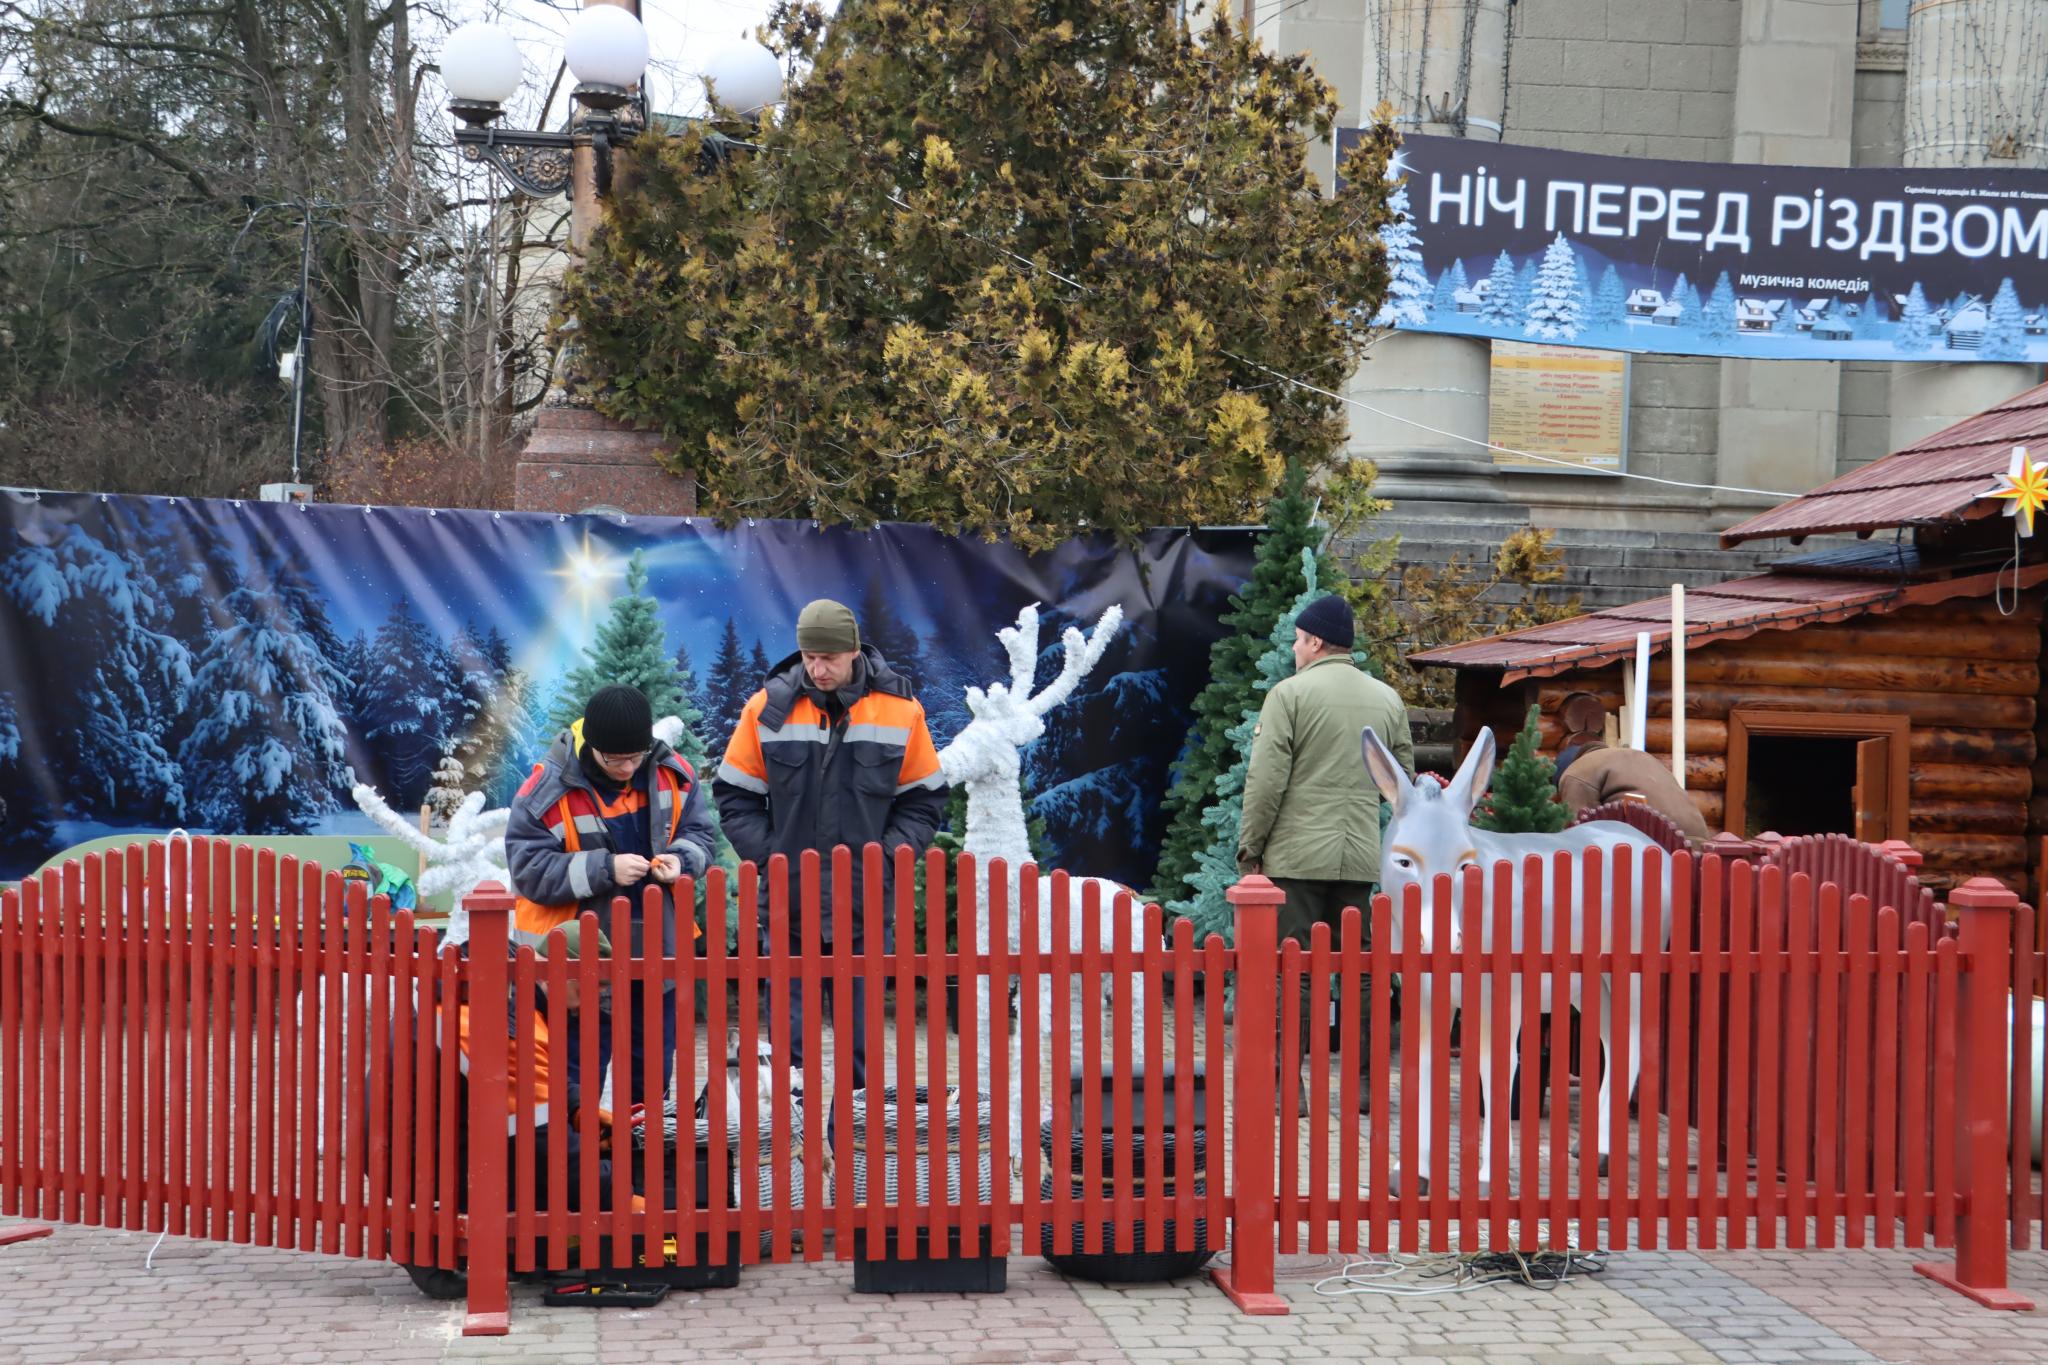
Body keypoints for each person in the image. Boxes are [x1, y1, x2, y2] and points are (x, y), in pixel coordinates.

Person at [713, 599, 946, 1092]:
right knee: (786, 1048)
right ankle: (791, 1137)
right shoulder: (765, 710)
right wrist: (772, 857)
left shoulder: (901, 711)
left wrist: (883, 859)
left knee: (862, 1045)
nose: (818, 669)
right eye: (810, 657)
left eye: (829, 659)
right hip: (789, 905)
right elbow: (735, 796)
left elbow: (924, 801)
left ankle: (856, 1135)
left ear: (854, 651)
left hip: (865, 904)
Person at [1236, 594, 1412, 1112]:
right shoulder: (1388, 700)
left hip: (1294, 859)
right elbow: (1402, 784)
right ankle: (1363, 1085)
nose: (1294, 648)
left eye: (1297, 639)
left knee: (1293, 968)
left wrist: (1251, 847)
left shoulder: (1288, 695)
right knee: (1361, 970)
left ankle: (1289, 1087)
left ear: (1315, 641)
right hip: (1359, 858)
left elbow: (1265, 781)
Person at [505, 682, 717, 1110]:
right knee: (574, 1078)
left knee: (651, 1075)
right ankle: (575, 1149)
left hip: (657, 953)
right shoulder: (545, 792)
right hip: (578, 964)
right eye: (615, 759)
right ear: (592, 747)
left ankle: (643, 1148)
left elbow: (701, 834)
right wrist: (605, 868)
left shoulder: (675, 774)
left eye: (636, 756)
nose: (628, 767)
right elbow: (528, 870)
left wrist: (681, 860)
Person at [1552, 691, 1711, 841]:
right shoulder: (1636, 756)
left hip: (1654, 840)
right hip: (1697, 839)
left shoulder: (1575, 772)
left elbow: (1581, 830)